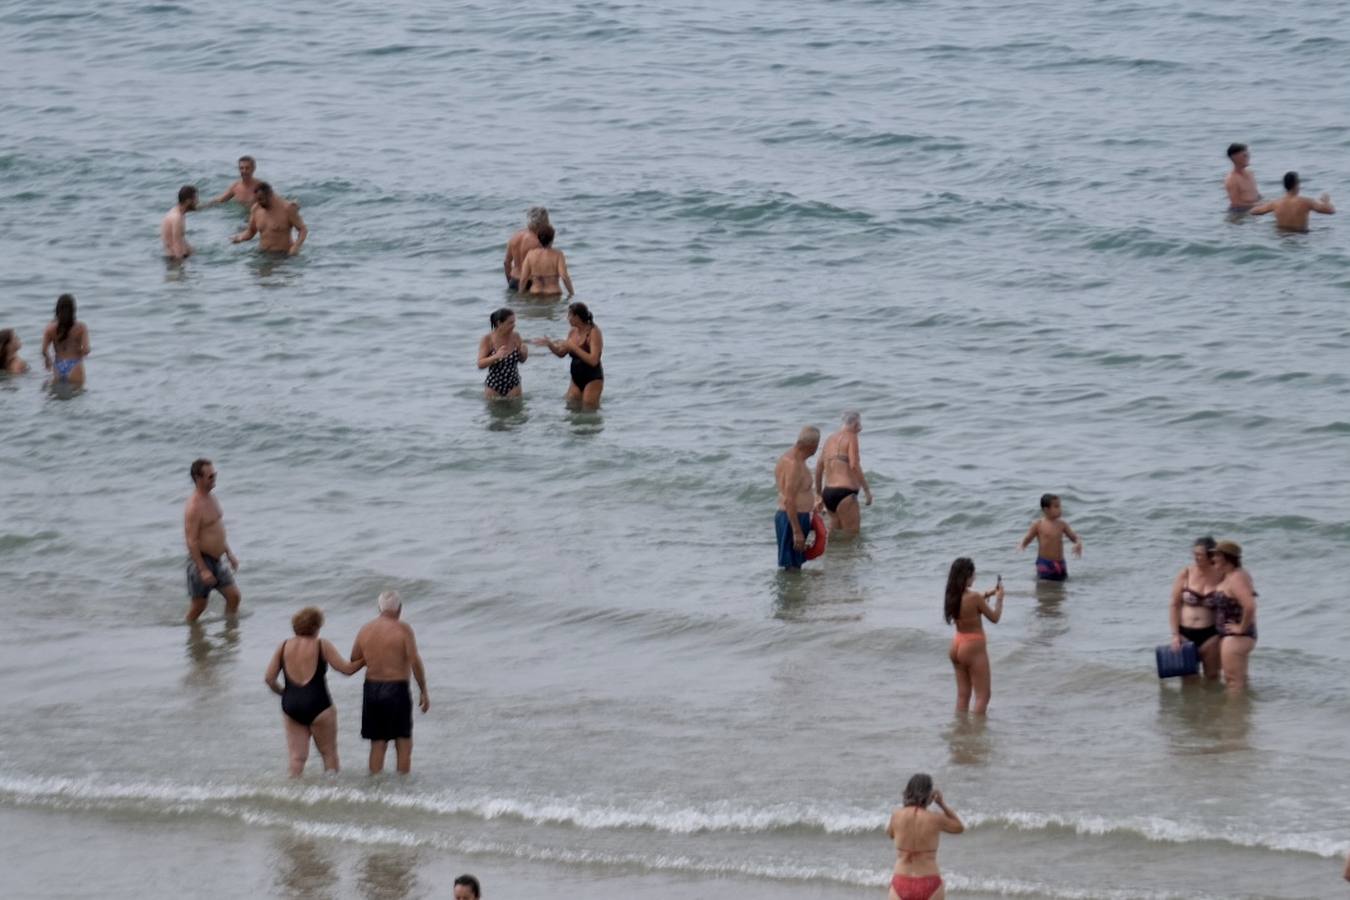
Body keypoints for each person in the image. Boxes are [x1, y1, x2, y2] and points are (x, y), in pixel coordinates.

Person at [263, 606, 364, 777]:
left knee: (297, 758)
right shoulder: (321, 645)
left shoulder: (284, 646)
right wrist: (365, 659)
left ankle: (292, 794)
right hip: (319, 704)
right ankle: (333, 792)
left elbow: (269, 678)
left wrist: (282, 692)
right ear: (316, 626)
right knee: (328, 754)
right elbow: (346, 669)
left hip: (292, 704)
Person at [350, 590, 429, 774]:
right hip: (396, 689)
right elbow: (414, 661)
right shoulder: (403, 629)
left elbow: (355, 657)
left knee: (378, 743)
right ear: (400, 609)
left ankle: (375, 787)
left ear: (379, 608)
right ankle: (402, 790)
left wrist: (373, 655)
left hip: (371, 689)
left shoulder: (365, 629)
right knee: (403, 742)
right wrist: (423, 690)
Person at [885, 773, 964, 900]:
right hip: (929, 882)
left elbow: (890, 834)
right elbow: (959, 827)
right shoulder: (935, 818)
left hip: (901, 880)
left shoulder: (897, 816)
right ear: (929, 795)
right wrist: (941, 804)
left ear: (908, 792)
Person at [183, 458, 242, 623]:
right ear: (198, 478)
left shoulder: (212, 498)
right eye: (210, 477)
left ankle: (229, 633)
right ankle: (191, 632)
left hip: (217, 559)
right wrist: (202, 569)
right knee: (199, 606)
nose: (214, 479)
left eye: (215, 475)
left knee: (234, 597)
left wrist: (229, 553)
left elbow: (216, 531)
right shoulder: (194, 506)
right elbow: (191, 540)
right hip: (201, 561)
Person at [944, 557, 1004, 714]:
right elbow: (995, 617)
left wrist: (990, 592)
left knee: (963, 695)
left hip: (956, 645)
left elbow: (970, 601)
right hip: (973, 647)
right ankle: (976, 735)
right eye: (973, 575)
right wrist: (999, 599)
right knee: (983, 696)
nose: (975, 577)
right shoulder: (974, 598)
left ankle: (960, 730)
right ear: (966, 576)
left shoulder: (952, 595)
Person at [1167, 536, 1222, 679]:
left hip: (1211, 634)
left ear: (1210, 556)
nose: (1195, 558)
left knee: (1212, 677)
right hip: (1185, 634)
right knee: (1188, 679)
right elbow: (1174, 604)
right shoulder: (1186, 573)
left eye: (1199, 555)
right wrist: (1174, 635)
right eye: (1194, 554)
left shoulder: (1221, 575)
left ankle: (1212, 702)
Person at [530, 301, 603, 408]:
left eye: (569, 315)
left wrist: (573, 347)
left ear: (577, 317)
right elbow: (561, 353)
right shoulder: (572, 332)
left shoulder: (593, 332)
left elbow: (593, 360)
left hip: (592, 378)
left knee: (589, 411)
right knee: (570, 406)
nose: (567, 318)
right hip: (576, 378)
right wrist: (550, 345)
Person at [814, 411, 873, 533]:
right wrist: (867, 491)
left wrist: (819, 494)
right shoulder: (851, 437)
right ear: (856, 423)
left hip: (828, 493)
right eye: (860, 424)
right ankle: (849, 553)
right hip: (845, 493)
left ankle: (832, 553)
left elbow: (819, 467)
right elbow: (854, 465)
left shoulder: (830, 439)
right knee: (852, 535)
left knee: (835, 535)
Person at [1210, 540, 1257, 691]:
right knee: (1240, 680)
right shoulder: (1233, 575)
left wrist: (1241, 628)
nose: (1213, 559)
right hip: (1236, 637)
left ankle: (1233, 714)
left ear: (1226, 557)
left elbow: (1250, 606)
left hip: (1236, 638)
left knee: (1233, 681)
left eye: (1216, 555)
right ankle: (1243, 713)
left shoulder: (1236, 578)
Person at [774, 426, 820, 570]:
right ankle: (791, 593)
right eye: (817, 445)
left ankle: (793, 592)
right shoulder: (794, 465)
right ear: (811, 446)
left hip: (791, 517)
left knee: (794, 565)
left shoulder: (789, 457)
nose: (817, 449)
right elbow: (789, 499)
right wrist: (797, 531)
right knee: (792, 567)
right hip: (792, 518)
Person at [1018, 493, 1082, 581]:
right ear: (1046, 509)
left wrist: (1078, 543)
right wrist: (1022, 545)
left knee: (1061, 586)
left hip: (1060, 563)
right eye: (1056, 507)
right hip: (1045, 563)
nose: (1060, 509)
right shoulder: (1038, 524)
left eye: (1060, 506)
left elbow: (1073, 537)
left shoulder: (1062, 524)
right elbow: (1028, 537)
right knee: (1044, 585)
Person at [231, 182, 307, 254]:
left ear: (270, 195)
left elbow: (303, 230)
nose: (259, 202)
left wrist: (296, 246)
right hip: (263, 253)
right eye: (257, 199)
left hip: (283, 255)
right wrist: (240, 238)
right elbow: (251, 232)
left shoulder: (287, 208)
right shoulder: (256, 209)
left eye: (261, 199)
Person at [1250, 171, 1335, 232]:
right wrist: (1326, 201)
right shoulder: (1306, 202)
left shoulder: (1275, 203)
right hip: (1300, 236)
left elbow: (1253, 211)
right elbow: (1331, 211)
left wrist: (1262, 203)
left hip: (1282, 237)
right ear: (1297, 184)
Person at [477, 307, 528, 399]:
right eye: (510, 323)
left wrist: (524, 353)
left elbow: (522, 360)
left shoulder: (516, 336)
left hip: (514, 384)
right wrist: (496, 356)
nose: (514, 325)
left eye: (514, 322)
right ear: (499, 323)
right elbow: (480, 364)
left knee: (517, 413)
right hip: (493, 386)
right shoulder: (488, 339)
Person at [41, 294, 90, 386]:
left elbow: (44, 350)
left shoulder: (50, 328)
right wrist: (79, 353)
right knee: (77, 398)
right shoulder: (81, 327)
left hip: (58, 366)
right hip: (75, 366)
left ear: (57, 310)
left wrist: (47, 359)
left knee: (58, 397)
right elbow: (86, 350)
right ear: (73, 310)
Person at [516, 224, 574, 297]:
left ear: (539, 239)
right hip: (553, 293)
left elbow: (523, 278)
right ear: (552, 239)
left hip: (535, 293)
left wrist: (520, 295)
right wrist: (572, 293)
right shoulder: (558, 255)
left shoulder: (530, 254)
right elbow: (564, 276)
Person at [504, 207, 548, 291]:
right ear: (543, 222)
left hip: (513, 282)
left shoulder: (515, 236)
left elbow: (506, 263)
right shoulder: (538, 242)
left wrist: (510, 282)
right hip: (530, 284)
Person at [161, 185, 199, 260]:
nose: (198, 202)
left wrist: (192, 252)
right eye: (196, 199)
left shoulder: (178, 213)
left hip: (178, 258)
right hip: (175, 260)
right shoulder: (177, 218)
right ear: (188, 201)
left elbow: (181, 239)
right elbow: (177, 246)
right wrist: (180, 269)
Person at [1224, 143, 1260, 211]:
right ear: (1234, 157)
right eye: (1244, 155)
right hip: (1239, 213)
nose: (1248, 157)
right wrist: (1257, 205)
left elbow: (1256, 194)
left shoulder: (1250, 173)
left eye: (1248, 155)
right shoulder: (1232, 179)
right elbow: (1236, 204)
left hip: (1253, 209)